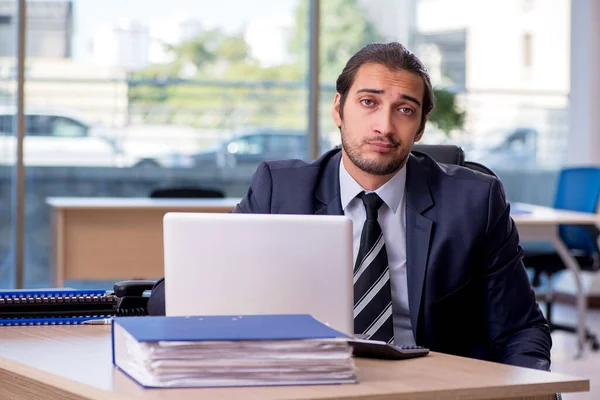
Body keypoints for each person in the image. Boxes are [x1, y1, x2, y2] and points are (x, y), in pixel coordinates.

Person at [148, 42, 551, 371]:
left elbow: (521, 330)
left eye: (405, 110)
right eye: (368, 103)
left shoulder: (474, 201)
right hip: (309, 381)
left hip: (429, 386)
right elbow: (185, 298)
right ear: (339, 109)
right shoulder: (280, 191)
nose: (385, 126)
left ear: (421, 127)